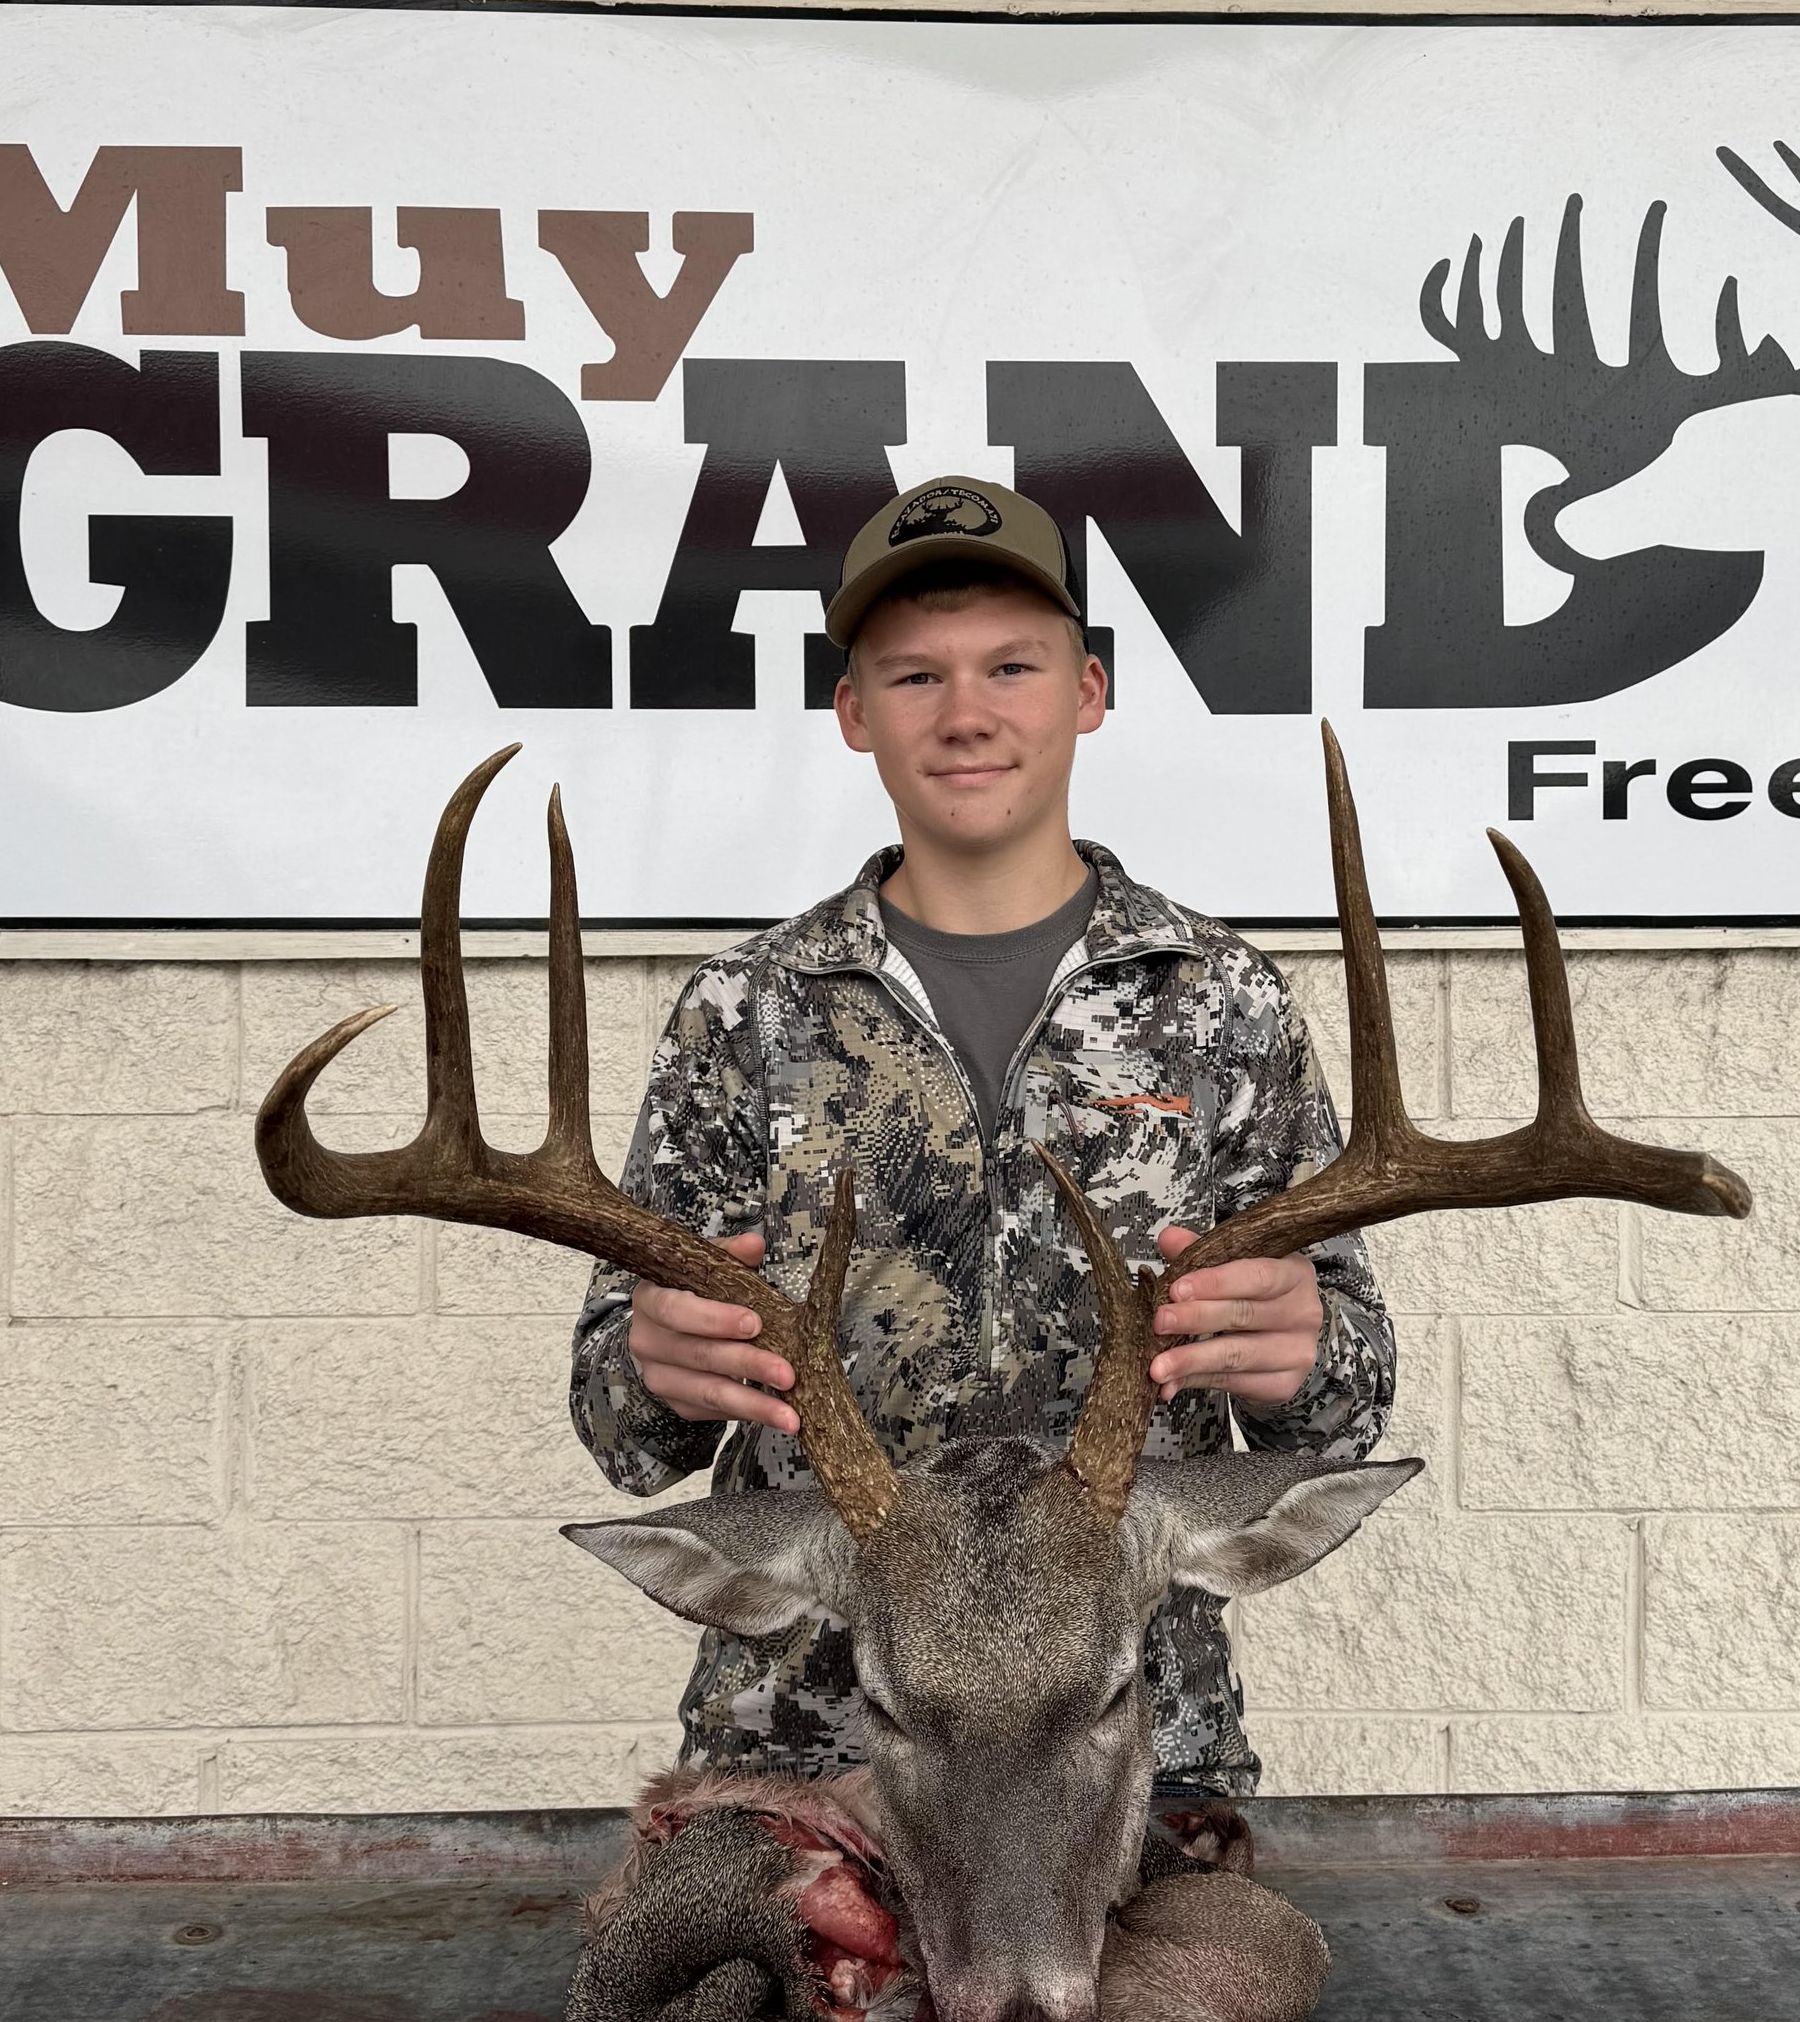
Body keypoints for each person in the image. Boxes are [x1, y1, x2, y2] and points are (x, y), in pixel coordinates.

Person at [571, 476, 1394, 1798]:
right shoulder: (747, 1011)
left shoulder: (1223, 1003)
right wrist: (655, 1371)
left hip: (1124, 1764)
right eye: (916, 676)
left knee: (1200, 1946)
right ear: (854, 712)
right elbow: (621, 1432)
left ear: (1088, 691)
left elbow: (1344, 1419)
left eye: (1013, 666)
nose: (966, 714)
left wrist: (1306, 1356)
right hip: (809, 1760)